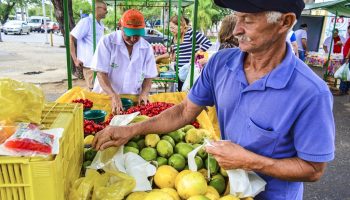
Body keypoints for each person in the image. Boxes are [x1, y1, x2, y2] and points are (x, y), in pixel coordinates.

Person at [92, 0, 335, 199]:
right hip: (220, 188)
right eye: (236, 18)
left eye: (248, 20)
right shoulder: (221, 64)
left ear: (285, 22)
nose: (236, 30)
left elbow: (314, 169)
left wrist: (250, 161)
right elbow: (184, 110)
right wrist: (133, 130)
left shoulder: (311, 93)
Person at [91, 9, 158, 114]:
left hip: (132, 100)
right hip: (106, 97)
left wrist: (144, 93)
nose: (132, 39)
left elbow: (149, 76)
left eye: (137, 35)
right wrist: (113, 95)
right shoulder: (107, 42)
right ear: (121, 27)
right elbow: (101, 73)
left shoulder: (146, 48)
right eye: (129, 34)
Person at [156, 15, 212, 91]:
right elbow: (170, 52)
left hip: (191, 72)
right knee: (180, 93)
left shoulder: (190, 33)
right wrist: (158, 58)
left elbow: (207, 43)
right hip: (180, 72)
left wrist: (196, 54)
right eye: (170, 27)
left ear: (181, 26)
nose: (171, 30)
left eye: (173, 27)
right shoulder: (174, 37)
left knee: (188, 93)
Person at [70, 1, 107, 90]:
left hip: (98, 63)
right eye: (104, 9)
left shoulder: (100, 24)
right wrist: (75, 59)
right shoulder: (86, 22)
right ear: (96, 9)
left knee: (99, 90)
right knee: (93, 89)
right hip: (89, 65)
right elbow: (71, 37)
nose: (107, 11)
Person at [335, 31, 350, 96]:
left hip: (348, 58)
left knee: (344, 74)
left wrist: (347, 57)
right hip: (347, 57)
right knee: (347, 74)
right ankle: (346, 90)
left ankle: (341, 90)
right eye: (348, 29)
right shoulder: (349, 38)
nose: (348, 31)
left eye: (349, 29)